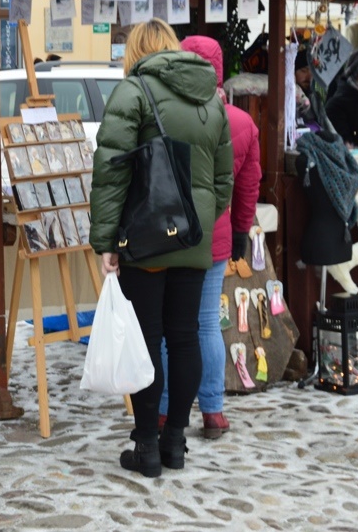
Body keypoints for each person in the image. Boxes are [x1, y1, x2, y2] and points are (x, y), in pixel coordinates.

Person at [90, 19, 233, 478]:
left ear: (135, 52)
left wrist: (106, 240)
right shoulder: (211, 99)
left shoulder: (133, 92)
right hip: (193, 239)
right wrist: (199, 222)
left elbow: (111, 173)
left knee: (146, 339)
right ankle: (176, 443)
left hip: (146, 238)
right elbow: (223, 180)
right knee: (185, 335)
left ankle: (147, 446)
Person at [158, 35, 261, 440]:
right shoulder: (241, 122)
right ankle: (213, 410)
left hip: (170, 233)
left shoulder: (166, 113)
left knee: (169, 325)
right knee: (206, 324)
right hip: (215, 234)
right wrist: (240, 230)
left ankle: (165, 411)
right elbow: (248, 185)